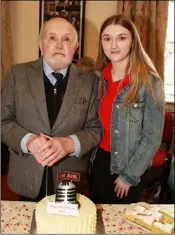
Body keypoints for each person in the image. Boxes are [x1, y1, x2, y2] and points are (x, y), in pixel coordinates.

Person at [1, 16, 102, 202]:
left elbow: (95, 128)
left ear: (75, 46)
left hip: (70, 178)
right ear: (41, 43)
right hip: (27, 177)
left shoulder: (91, 81)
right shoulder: (16, 75)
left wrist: (69, 144)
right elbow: (3, 121)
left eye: (67, 39)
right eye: (52, 38)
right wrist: (28, 140)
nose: (59, 45)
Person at [89, 14, 165, 204]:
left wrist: (129, 175)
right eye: (107, 39)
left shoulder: (149, 82)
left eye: (121, 38)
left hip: (129, 165)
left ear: (133, 42)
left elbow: (152, 137)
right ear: (101, 43)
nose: (113, 45)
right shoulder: (97, 78)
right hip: (98, 162)